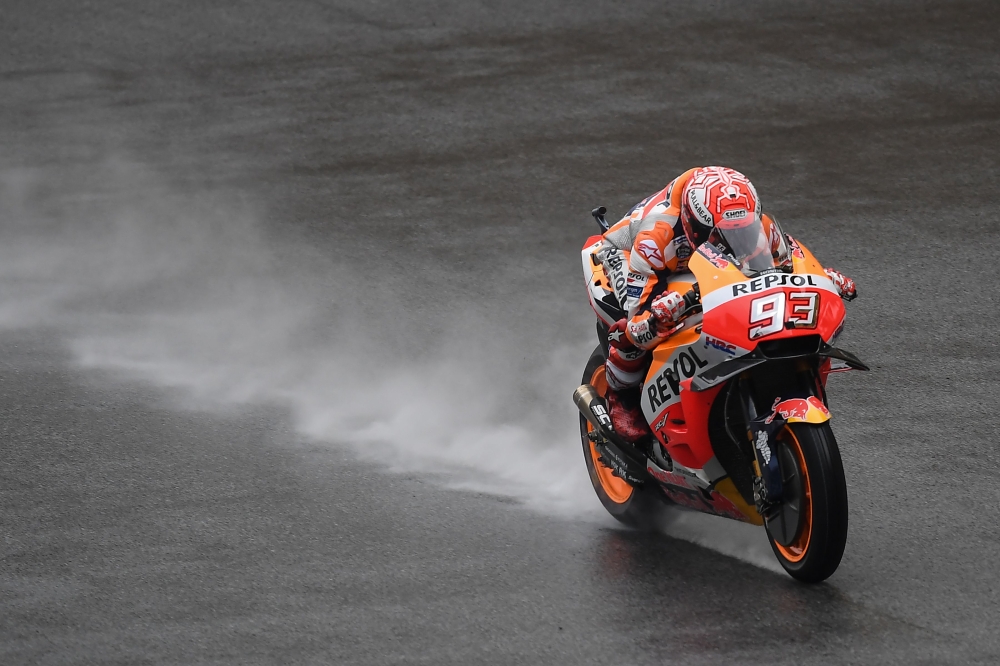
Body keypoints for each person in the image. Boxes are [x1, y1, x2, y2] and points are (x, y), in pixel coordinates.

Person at [597, 166, 857, 442]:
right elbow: (639, 323)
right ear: (692, 224)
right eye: (718, 234)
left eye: (741, 231)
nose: (732, 240)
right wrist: (655, 317)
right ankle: (621, 396)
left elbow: (786, 268)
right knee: (639, 334)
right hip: (629, 256)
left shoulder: (758, 226)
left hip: (696, 263)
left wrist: (822, 277)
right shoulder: (656, 239)